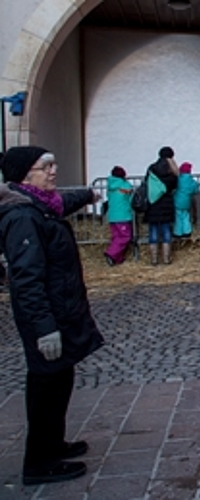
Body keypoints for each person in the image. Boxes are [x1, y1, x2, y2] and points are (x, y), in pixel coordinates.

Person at [0, 146, 105, 485]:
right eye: (45, 166)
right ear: (24, 175)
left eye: (53, 164)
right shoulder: (22, 217)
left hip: (61, 310)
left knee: (60, 380)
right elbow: (26, 279)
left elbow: (62, 202)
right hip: (45, 318)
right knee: (46, 386)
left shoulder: (40, 205)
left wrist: (89, 194)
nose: (53, 171)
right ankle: (39, 462)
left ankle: (54, 444)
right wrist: (44, 328)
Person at [143, 146, 179, 265]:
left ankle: (154, 259)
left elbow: (146, 182)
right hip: (166, 203)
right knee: (166, 230)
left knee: (153, 230)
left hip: (152, 203)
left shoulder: (152, 168)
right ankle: (166, 259)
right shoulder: (172, 170)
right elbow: (174, 185)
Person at [103, 166, 133, 266]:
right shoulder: (125, 186)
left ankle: (118, 258)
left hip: (112, 216)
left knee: (116, 237)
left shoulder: (110, 185)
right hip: (123, 215)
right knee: (125, 237)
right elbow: (130, 198)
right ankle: (111, 254)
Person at [173, 161, 199, 238]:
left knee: (178, 216)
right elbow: (195, 189)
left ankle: (178, 232)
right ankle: (187, 231)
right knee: (185, 216)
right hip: (187, 202)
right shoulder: (191, 181)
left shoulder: (178, 179)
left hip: (177, 201)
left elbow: (174, 188)